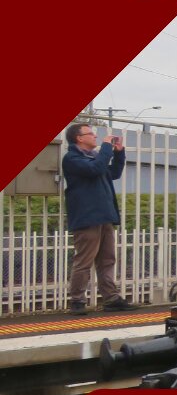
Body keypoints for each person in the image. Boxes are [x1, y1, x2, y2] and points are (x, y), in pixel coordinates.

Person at [62, 122, 136, 314]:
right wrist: (106, 147)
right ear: (79, 138)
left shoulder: (94, 157)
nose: (95, 136)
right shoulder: (72, 159)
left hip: (104, 216)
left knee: (107, 259)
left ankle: (111, 299)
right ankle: (77, 301)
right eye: (91, 133)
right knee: (84, 261)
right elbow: (94, 169)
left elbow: (113, 173)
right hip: (87, 218)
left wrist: (119, 153)